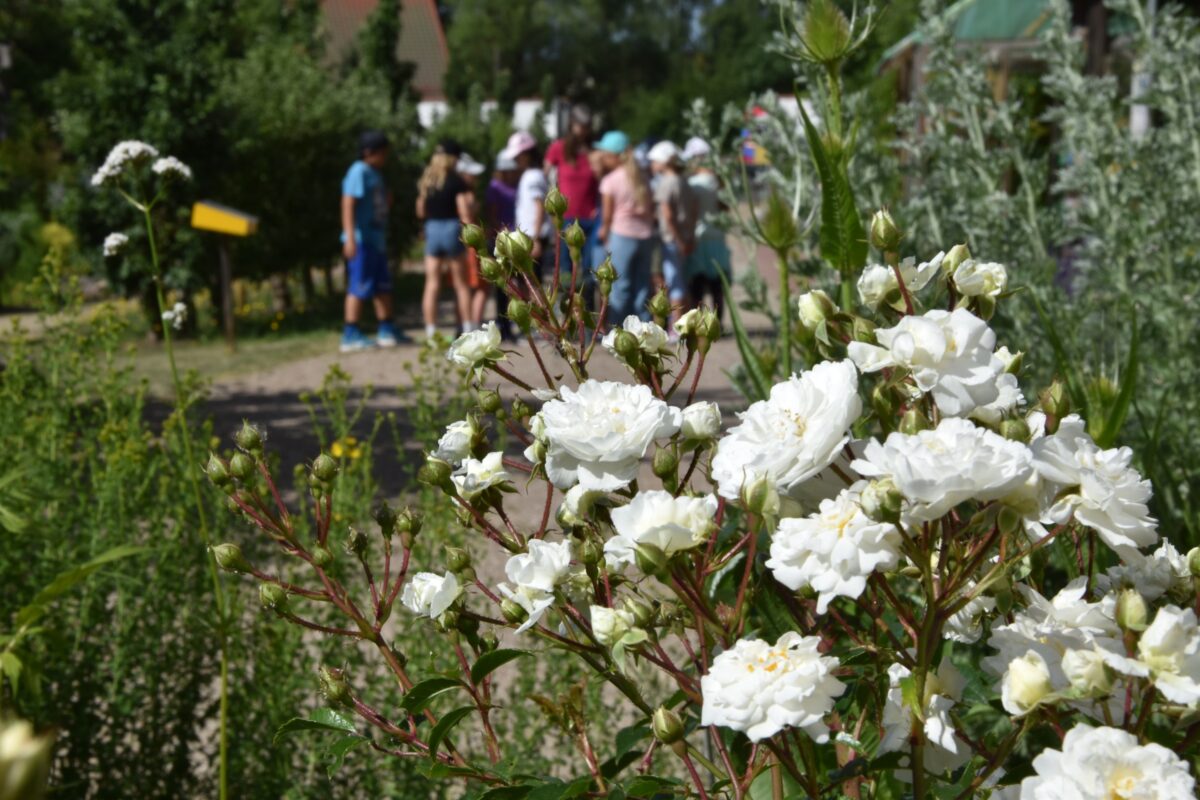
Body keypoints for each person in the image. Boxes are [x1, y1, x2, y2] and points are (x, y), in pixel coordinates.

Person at [340, 130, 400, 352]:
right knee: (359, 285)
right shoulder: (358, 171)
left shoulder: (375, 173)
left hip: (376, 240)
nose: (385, 158)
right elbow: (348, 203)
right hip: (361, 240)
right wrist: (350, 238)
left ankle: (386, 328)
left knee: (382, 286)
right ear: (369, 152)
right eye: (382, 153)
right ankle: (350, 333)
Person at [595, 130, 655, 324]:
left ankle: (618, 327)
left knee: (620, 287)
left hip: (622, 234)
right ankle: (643, 328)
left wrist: (604, 231)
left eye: (605, 154)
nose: (602, 158)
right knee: (642, 287)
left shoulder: (610, 180)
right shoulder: (641, 177)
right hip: (645, 235)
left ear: (614, 156)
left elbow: (607, 216)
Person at [416, 140, 474, 339]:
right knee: (461, 284)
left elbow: (420, 210)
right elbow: (464, 210)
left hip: (432, 228)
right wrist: (470, 233)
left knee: (432, 283)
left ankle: (431, 332)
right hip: (451, 228)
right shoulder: (456, 181)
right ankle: (468, 327)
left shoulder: (428, 180)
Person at [545, 105, 600, 286]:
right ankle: (566, 299)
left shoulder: (593, 151)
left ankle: (586, 299)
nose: (583, 130)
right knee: (565, 268)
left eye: (586, 126)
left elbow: (601, 183)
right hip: (566, 216)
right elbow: (545, 174)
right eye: (580, 125)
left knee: (589, 268)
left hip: (590, 216)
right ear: (572, 124)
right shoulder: (558, 148)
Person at [648, 140, 698, 327]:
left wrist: (678, 239)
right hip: (684, 237)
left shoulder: (666, 183)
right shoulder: (684, 182)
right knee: (680, 279)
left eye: (654, 161)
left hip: (671, 239)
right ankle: (682, 322)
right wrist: (689, 237)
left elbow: (668, 216)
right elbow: (694, 211)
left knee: (674, 282)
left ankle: (675, 325)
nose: (652, 165)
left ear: (664, 162)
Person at [683, 137, 732, 323]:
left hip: (699, 237)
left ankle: (698, 323)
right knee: (717, 285)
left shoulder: (694, 183)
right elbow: (726, 208)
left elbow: (692, 212)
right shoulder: (719, 181)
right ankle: (718, 323)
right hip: (717, 237)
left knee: (697, 286)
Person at [501, 131, 554, 276]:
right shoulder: (531, 175)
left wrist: (536, 239)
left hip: (532, 236)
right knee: (528, 277)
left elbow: (539, 206)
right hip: (529, 235)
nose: (515, 161)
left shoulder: (533, 176)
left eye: (517, 157)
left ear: (527, 155)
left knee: (532, 278)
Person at [486, 151, 520, 340]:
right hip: (502, 239)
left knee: (515, 283)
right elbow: (492, 214)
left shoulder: (514, 185)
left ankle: (513, 323)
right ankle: (504, 324)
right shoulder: (495, 187)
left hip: (515, 238)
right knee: (503, 285)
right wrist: (499, 235)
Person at [456, 152, 489, 328]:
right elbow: (467, 219)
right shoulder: (465, 194)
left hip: (462, 245)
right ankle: (474, 325)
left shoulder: (454, 191)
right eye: (472, 174)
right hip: (471, 246)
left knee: (462, 286)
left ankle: (462, 325)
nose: (475, 178)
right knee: (481, 286)